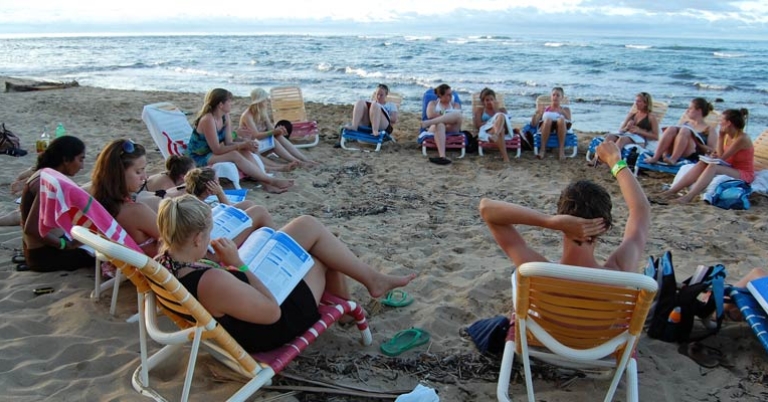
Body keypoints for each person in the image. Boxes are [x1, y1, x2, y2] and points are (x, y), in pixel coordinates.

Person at [155, 194, 416, 353]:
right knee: (320, 258)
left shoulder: (164, 261)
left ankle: (369, 284)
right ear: (197, 238)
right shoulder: (211, 281)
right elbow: (272, 313)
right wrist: (238, 264)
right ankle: (352, 308)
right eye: (209, 232)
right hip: (271, 326)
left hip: (242, 304)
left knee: (306, 226)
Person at [479, 140, 649, 273]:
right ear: (604, 226)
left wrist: (549, 221)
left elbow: (486, 209)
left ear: (562, 219)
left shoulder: (538, 271)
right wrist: (615, 161)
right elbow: (640, 210)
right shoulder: (620, 270)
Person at [186, 88, 294, 194]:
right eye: (229, 101)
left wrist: (246, 144)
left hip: (212, 152)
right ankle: (271, 181)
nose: (231, 103)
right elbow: (217, 149)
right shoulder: (208, 119)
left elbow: (229, 142)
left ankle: (266, 184)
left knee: (245, 150)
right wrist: (241, 145)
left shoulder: (225, 116)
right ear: (221, 104)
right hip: (199, 156)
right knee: (235, 154)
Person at [20, 136, 94, 271]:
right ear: (66, 159)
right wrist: (64, 245)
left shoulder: (43, 174)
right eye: (80, 159)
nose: (82, 166)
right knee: (104, 255)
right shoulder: (48, 182)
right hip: (44, 256)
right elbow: (31, 229)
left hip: (42, 249)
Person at [659, 109, 753, 204]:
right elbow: (720, 155)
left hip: (742, 172)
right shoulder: (727, 136)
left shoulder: (742, 138)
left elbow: (722, 158)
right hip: (730, 166)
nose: (719, 123)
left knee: (713, 166)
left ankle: (688, 197)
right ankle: (672, 191)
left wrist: (720, 137)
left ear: (728, 123)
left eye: (721, 120)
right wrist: (715, 153)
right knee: (702, 163)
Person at [91, 139, 160, 257]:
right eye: (138, 172)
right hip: (156, 265)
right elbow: (177, 242)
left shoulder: (100, 205)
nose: (145, 177)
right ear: (118, 174)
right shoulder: (135, 211)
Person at [184, 167, 275, 245]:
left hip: (212, 233)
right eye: (217, 183)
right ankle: (274, 241)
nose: (220, 186)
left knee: (248, 204)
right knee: (259, 211)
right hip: (214, 242)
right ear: (210, 188)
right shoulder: (201, 207)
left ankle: (259, 238)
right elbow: (229, 214)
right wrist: (220, 193)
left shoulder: (193, 199)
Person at [238, 88, 317, 169]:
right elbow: (257, 136)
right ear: (259, 101)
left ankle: (304, 159)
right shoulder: (247, 116)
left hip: (259, 145)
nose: (267, 102)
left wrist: (279, 131)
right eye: (265, 100)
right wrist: (274, 132)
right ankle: (298, 162)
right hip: (251, 148)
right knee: (274, 141)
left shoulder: (262, 111)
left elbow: (270, 128)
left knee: (278, 136)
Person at [644, 97, 717, 165]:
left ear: (699, 111)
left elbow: (712, 151)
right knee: (671, 128)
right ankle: (656, 157)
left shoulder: (709, 129)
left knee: (685, 130)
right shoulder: (685, 123)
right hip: (676, 150)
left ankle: (673, 159)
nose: (687, 111)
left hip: (692, 153)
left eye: (690, 108)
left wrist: (698, 144)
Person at [420, 84, 463, 165]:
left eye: (451, 94)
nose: (451, 96)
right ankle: (442, 156)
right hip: (436, 127)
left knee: (458, 115)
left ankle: (427, 123)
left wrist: (440, 114)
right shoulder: (433, 103)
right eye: (448, 95)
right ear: (440, 95)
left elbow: (457, 116)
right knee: (440, 124)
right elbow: (430, 115)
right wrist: (448, 116)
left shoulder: (455, 104)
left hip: (451, 128)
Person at [530, 87, 572, 160]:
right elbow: (533, 124)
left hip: (561, 127)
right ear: (551, 97)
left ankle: (561, 151)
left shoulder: (565, 109)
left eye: (558, 95)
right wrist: (537, 113)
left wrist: (563, 112)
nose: (555, 97)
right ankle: (542, 150)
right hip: (546, 127)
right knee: (548, 120)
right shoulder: (545, 109)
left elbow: (569, 122)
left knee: (561, 120)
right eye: (553, 95)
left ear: (562, 98)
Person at [474, 87, 513, 162]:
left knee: (501, 116)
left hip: (501, 129)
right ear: (483, 102)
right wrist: (491, 122)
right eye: (487, 100)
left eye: (491, 99)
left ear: (495, 100)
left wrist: (496, 110)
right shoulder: (480, 111)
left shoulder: (502, 110)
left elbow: (507, 121)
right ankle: (506, 158)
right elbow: (478, 125)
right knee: (501, 130)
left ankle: (496, 135)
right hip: (489, 130)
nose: (489, 102)